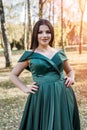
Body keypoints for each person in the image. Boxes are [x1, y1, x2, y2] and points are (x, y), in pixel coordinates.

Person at [10, 19, 80, 130]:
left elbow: (70, 70)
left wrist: (71, 77)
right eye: (40, 32)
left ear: (52, 34)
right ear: (35, 35)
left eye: (48, 32)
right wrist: (25, 88)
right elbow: (13, 75)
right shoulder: (30, 54)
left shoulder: (59, 52)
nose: (44, 35)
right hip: (42, 96)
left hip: (62, 94)